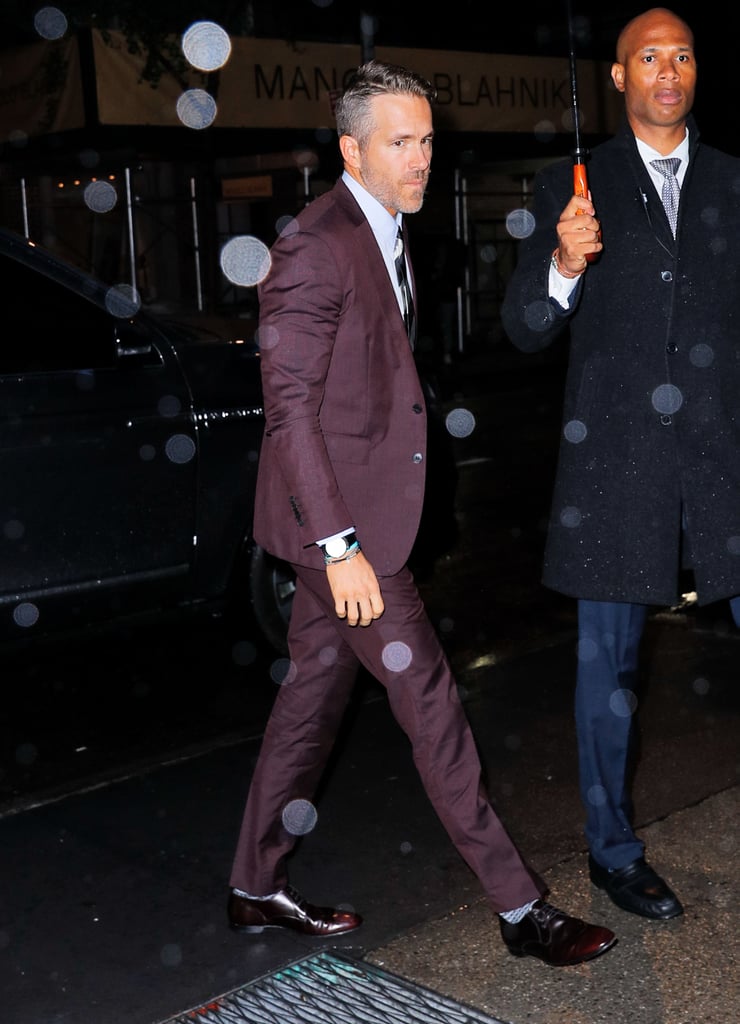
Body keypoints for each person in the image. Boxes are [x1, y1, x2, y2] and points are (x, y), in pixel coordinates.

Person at [226, 60, 616, 968]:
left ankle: (254, 884)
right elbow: (289, 412)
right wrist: (341, 548)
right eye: (400, 142)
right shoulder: (318, 245)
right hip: (347, 538)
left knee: (307, 704)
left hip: (354, 528)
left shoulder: (388, 228)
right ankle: (522, 912)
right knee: (433, 704)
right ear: (351, 149)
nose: (421, 157)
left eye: (428, 139)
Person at [501, 7, 740, 922]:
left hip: (721, 462)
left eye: (682, 53)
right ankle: (612, 853)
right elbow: (524, 327)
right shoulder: (578, 182)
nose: (667, 70)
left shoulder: (729, 182)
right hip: (617, 470)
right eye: (648, 56)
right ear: (618, 77)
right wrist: (563, 264)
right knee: (607, 674)